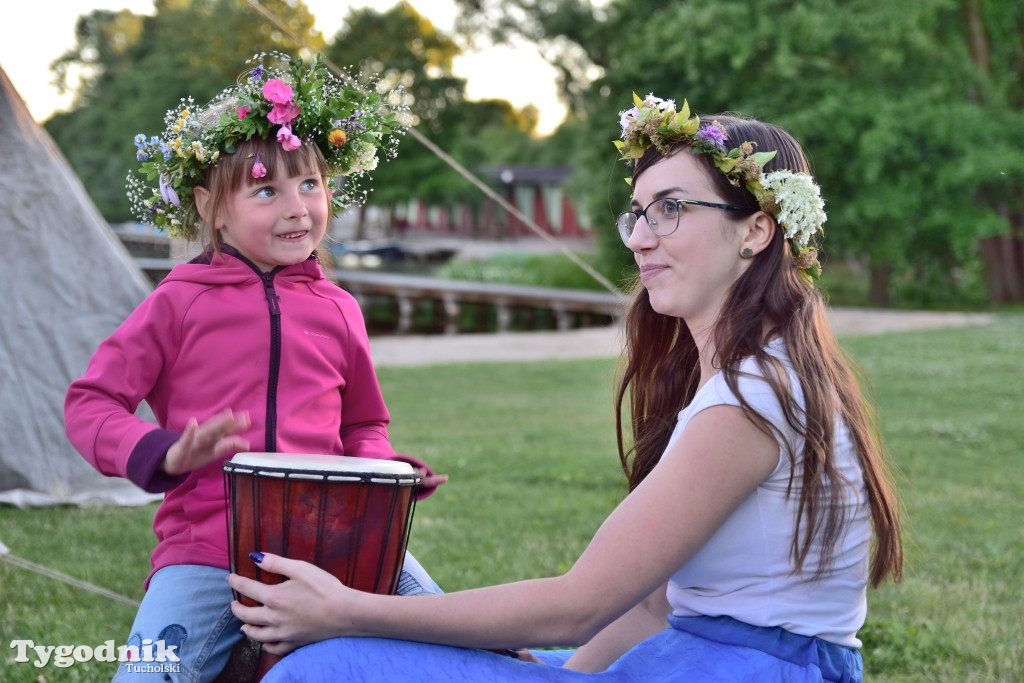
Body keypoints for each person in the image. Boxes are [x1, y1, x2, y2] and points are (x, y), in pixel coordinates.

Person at [226, 92, 904, 682]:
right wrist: (552, 671)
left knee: (323, 668)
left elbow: (580, 604)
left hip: (742, 673)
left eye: (669, 209)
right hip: (686, 657)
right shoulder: (753, 375)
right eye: (636, 213)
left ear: (755, 229)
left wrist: (347, 609)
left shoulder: (752, 398)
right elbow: (650, 605)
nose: (640, 237)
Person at [64, 53, 447, 682]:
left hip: (341, 545)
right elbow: (91, 403)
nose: (297, 207)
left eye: (311, 185)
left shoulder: (340, 308)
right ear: (212, 208)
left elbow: (363, 425)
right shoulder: (178, 302)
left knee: (457, 639)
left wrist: (381, 470)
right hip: (210, 552)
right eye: (267, 189)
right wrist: (161, 451)